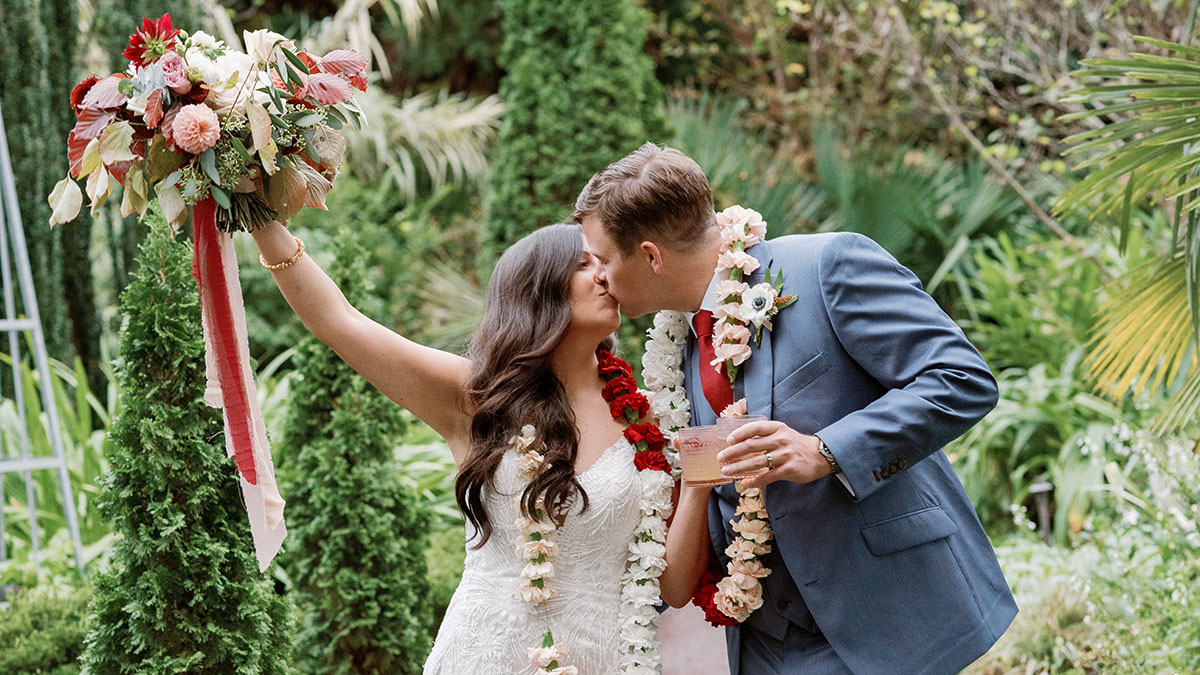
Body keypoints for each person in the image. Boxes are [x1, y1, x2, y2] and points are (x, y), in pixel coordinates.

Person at [574, 142, 1018, 675]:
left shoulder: (827, 265)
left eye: (603, 260)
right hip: (764, 640)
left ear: (651, 256)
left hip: (884, 616)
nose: (599, 276)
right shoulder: (678, 340)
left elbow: (961, 379)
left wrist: (825, 451)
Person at [250, 220, 713, 674]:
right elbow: (342, 322)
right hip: (483, 654)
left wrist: (698, 484)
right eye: (583, 264)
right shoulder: (478, 400)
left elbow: (672, 588)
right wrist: (260, 216)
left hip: (605, 658)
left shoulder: (648, 419)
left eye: (606, 262)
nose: (605, 275)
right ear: (538, 290)